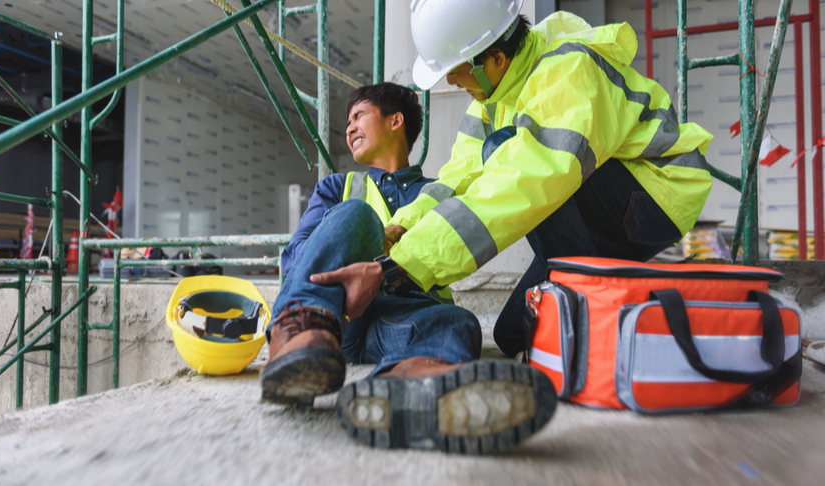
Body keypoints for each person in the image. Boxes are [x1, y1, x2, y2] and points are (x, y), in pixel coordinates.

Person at [312, 0, 714, 414]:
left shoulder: (569, 70)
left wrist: (399, 268)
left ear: (496, 59)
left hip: (653, 197)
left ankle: (598, 305)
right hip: (600, 201)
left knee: (505, 151)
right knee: (512, 336)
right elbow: (456, 179)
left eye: (455, 68)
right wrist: (396, 232)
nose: (450, 79)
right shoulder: (490, 95)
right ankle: (606, 297)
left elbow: (522, 185)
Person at [261, 82, 556, 455]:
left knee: (457, 320)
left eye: (358, 116)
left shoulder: (440, 191)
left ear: (396, 120)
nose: (349, 128)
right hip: (337, 318)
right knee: (359, 216)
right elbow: (298, 256)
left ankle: (411, 385)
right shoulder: (338, 187)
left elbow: (455, 253)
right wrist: (372, 240)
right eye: (347, 121)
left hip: (403, 318)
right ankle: (297, 339)